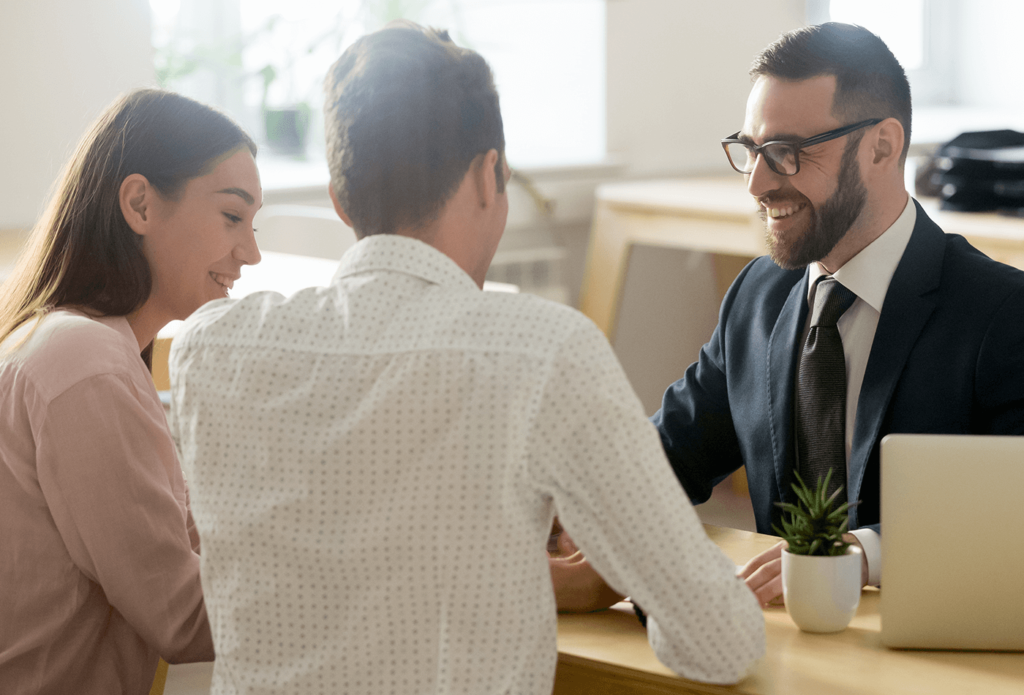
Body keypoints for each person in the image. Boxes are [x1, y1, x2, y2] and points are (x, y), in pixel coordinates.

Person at [168, 20, 764, 694]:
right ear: (490, 176)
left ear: (340, 201)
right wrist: (617, 558)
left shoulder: (208, 350)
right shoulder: (545, 352)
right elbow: (722, 640)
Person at [554, 22, 1024, 611]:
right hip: (775, 644)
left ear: (882, 146)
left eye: (788, 153)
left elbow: (1015, 513)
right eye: (751, 150)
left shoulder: (1002, 315)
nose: (757, 182)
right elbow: (669, 451)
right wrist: (566, 510)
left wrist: (862, 556)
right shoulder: (759, 294)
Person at [0, 89, 262, 693]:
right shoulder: (85, 364)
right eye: (231, 217)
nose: (249, 253)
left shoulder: (80, 346)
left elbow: (186, 533)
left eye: (253, 224)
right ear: (140, 203)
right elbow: (184, 617)